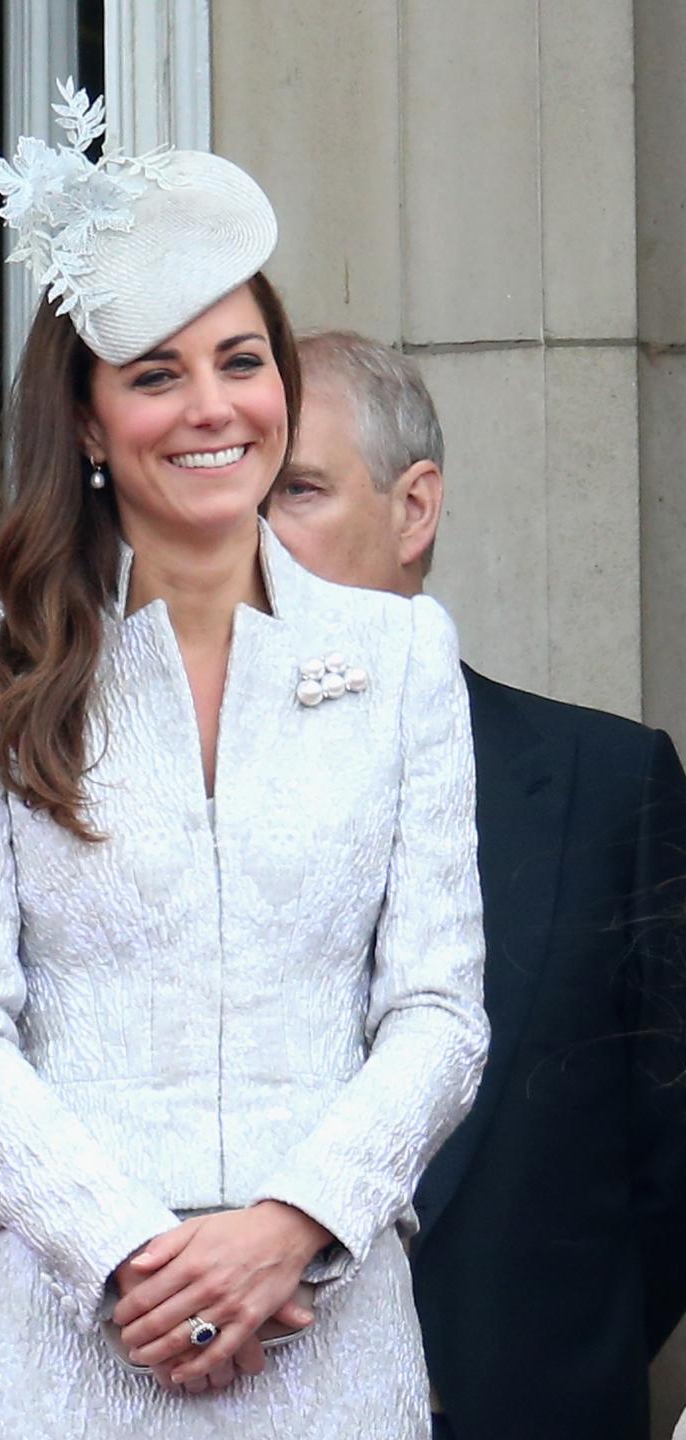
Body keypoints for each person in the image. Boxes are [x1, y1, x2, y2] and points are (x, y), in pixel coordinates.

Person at [0, 83, 489, 1440]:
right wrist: (126, 1256)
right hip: (72, 1337)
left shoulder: (400, 656)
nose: (212, 407)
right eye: (157, 373)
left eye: (242, 360)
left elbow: (441, 1012)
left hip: (329, 1328)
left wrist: (292, 1225)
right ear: (92, 425)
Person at [266, 331, 686, 1440]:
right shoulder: (153, 801)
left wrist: (545, 1367)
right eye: (239, 500)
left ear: (415, 511)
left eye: (297, 491)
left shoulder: (606, 788)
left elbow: (671, 1173)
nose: (255, 538)